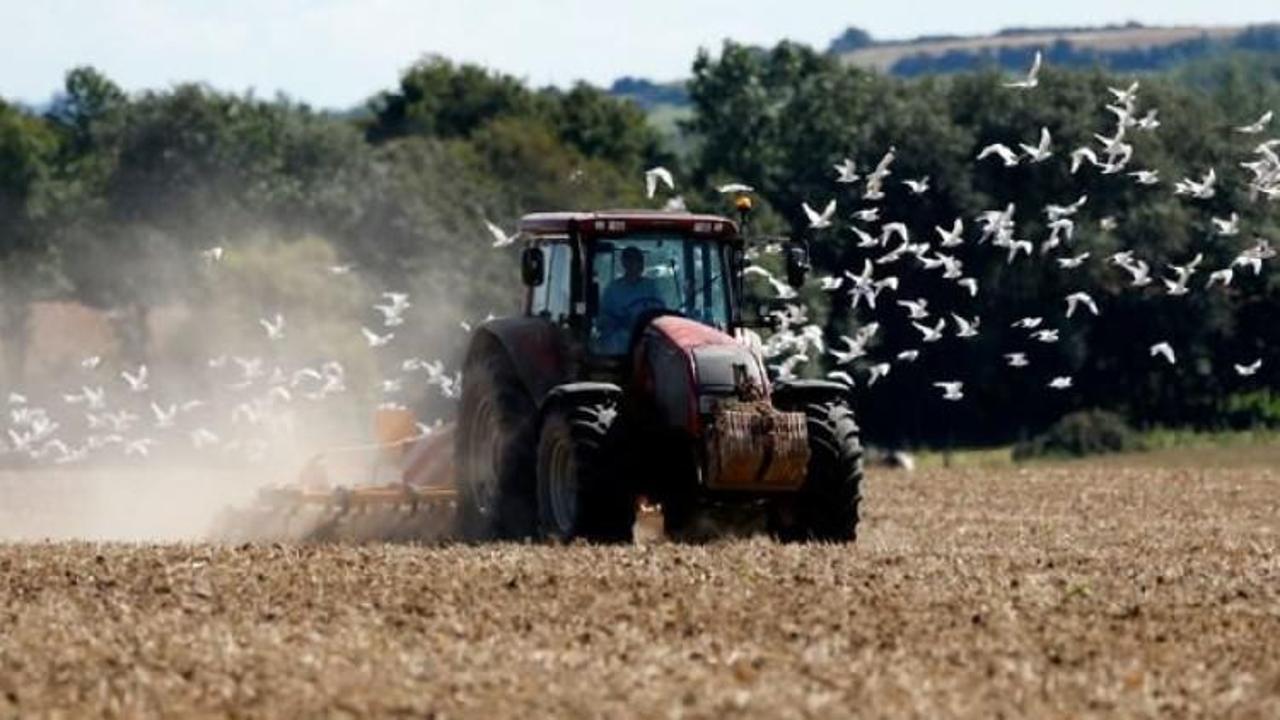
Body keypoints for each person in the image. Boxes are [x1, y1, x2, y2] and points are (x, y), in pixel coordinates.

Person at [598, 246, 665, 353]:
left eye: (640, 261)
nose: (638, 264)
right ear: (625, 263)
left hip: (647, 336)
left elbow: (661, 310)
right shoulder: (613, 289)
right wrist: (622, 320)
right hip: (621, 342)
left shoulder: (651, 286)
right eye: (633, 260)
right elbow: (603, 319)